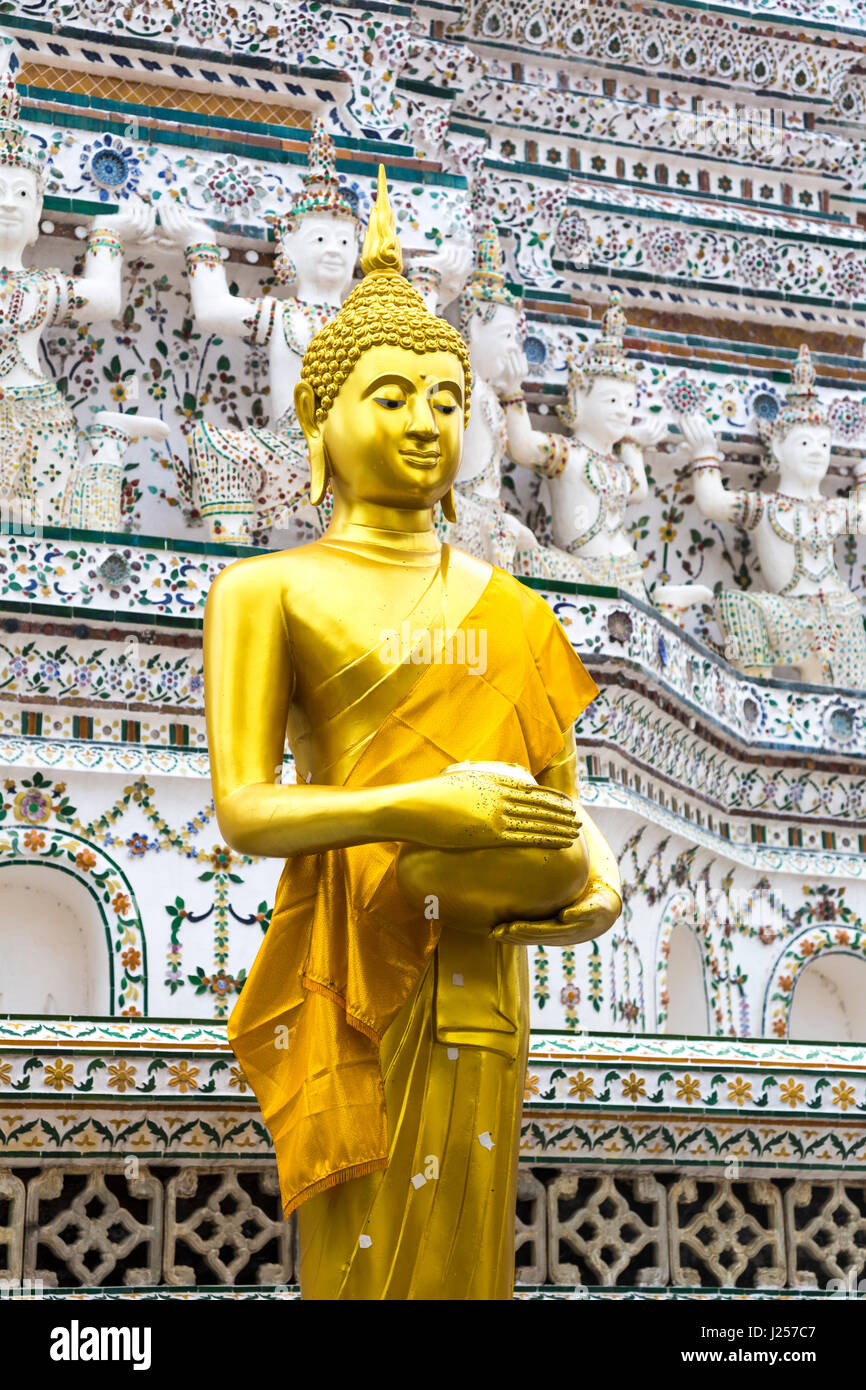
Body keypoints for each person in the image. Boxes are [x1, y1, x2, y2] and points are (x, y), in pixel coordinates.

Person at [204, 167, 621, 1300]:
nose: (427, 422)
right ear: (319, 418)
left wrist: (597, 883)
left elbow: (560, 804)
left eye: (447, 398)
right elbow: (246, 809)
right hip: (353, 956)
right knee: (366, 1263)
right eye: (391, 396)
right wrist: (417, 808)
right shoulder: (268, 590)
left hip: (482, 967)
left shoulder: (515, 609)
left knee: (468, 1254)